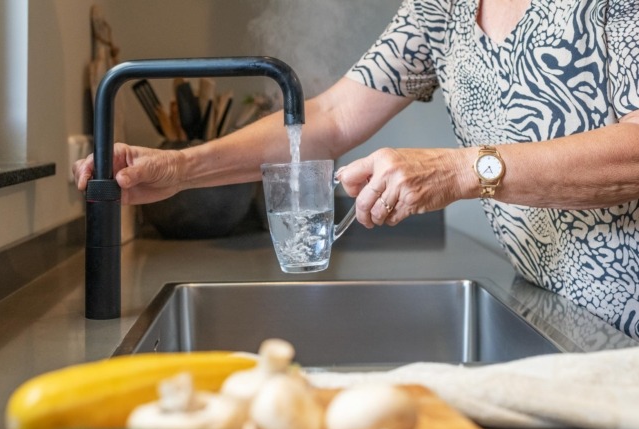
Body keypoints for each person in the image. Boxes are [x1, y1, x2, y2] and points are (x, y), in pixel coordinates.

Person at [74, 0, 639, 338]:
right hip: (554, 308)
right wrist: (180, 168)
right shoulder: (440, 9)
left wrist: (465, 170)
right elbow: (330, 117)